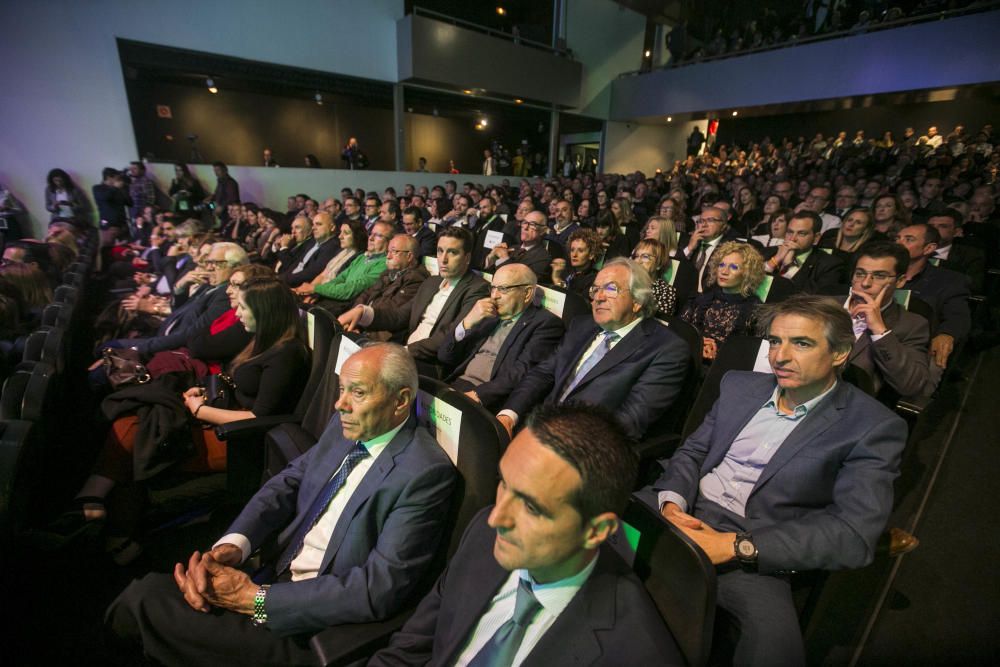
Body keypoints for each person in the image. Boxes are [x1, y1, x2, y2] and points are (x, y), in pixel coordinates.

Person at [105, 343, 457, 665]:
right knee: (156, 598)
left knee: (143, 600)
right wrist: (233, 546)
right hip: (270, 573)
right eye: (341, 389)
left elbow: (378, 588)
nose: (340, 404)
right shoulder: (348, 423)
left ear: (400, 401)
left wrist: (255, 599)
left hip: (310, 625)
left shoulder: (424, 473)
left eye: (358, 393)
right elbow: (289, 481)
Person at [647, 294, 907, 666]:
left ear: (839, 353)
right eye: (774, 341)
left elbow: (853, 534)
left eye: (801, 343)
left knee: (775, 650)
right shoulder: (739, 386)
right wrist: (672, 506)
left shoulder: (873, 427)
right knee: (586, 542)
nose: (780, 356)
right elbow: (691, 453)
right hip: (682, 510)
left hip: (756, 542)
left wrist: (738, 546)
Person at [370, 404, 684, 666]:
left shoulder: (638, 655)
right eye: (503, 482)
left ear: (596, 531)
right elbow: (411, 649)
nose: (496, 518)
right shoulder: (483, 533)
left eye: (532, 508)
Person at [69, 277, 311, 559]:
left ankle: (101, 511)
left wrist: (199, 410)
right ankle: (113, 530)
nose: (238, 313)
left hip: (239, 442)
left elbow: (258, 416)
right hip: (220, 419)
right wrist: (205, 396)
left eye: (243, 308)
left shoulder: (287, 353)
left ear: (265, 311)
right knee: (140, 422)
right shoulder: (261, 340)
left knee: (140, 438)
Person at [497, 258, 688, 441]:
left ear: (637, 300)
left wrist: (559, 440)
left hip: (586, 448)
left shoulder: (667, 349)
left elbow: (629, 421)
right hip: (537, 425)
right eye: (595, 289)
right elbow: (543, 372)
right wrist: (509, 414)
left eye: (611, 288)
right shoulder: (582, 325)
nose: (599, 297)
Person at [339, 227, 489, 369]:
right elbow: (400, 315)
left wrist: (402, 351)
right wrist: (363, 312)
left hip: (430, 363)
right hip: (405, 351)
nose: (443, 259)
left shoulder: (477, 289)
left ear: (467, 258)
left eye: (452, 253)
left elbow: (448, 336)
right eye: (440, 251)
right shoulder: (432, 282)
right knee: (342, 347)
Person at [438, 263, 564, 412]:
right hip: (456, 384)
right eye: (493, 288)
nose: (494, 296)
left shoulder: (546, 323)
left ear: (527, 293)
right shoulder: (486, 313)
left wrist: (478, 395)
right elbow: (445, 356)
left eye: (503, 289)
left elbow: (521, 372)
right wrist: (467, 322)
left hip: (487, 399)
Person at [844, 242, 930, 398]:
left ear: (900, 281)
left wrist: (879, 331)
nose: (865, 283)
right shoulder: (820, 305)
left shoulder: (912, 325)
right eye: (860, 273)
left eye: (879, 276)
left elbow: (912, 385)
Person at [895, 223, 971, 372]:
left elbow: (957, 316)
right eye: (897, 238)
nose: (898, 243)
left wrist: (947, 334)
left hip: (915, 348)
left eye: (908, 239)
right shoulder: (878, 273)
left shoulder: (949, 280)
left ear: (928, 248)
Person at [682, 241, 765, 361]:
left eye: (734, 267)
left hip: (724, 366)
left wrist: (718, 352)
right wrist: (699, 342)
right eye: (721, 265)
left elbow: (750, 353)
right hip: (690, 356)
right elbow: (681, 329)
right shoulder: (702, 298)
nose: (724, 271)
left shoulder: (755, 310)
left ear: (747, 273)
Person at [298, 221, 391, 314]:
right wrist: (318, 293)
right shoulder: (362, 257)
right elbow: (339, 279)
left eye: (378, 235)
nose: (370, 238)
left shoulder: (384, 264)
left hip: (347, 307)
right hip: (334, 300)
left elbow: (350, 290)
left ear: (389, 242)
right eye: (371, 234)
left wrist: (316, 289)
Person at [763, 211, 845, 292]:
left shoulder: (829, 265)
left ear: (816, 237)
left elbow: (811, 298)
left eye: (801, 233)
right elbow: (753, 282)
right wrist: (774, 261)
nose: (792, 238)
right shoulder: (769, 252)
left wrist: (790, 266)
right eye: (790, 232)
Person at [927, 210, 985, 294]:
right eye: (930, 226)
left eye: (943, 226)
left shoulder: (972, 255)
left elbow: (974, 284)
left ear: (956, 232)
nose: (934, 230)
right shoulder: (911, 249)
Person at [485, 211, 552, 283]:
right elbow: (491, 275)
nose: (525, 227)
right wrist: (492, 257)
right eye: (524, 222)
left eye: (532, 224)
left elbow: (520, 283)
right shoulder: (513, 248)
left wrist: (504, 257)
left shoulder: (543, 257)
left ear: (543, 231)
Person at [281, 212, 342, 288]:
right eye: (313, 224)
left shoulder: (333, 246)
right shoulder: (312, 242)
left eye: (319, 224)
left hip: (300, 286)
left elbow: (312, 273)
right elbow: (296, 264)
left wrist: (283, 279)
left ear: (332, 227)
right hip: (288, 280)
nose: (313, 227)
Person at [630, 239, 679, 316]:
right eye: (636, 256)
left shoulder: (665, 292)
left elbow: (656, 322)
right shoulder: (625, 282)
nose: (638, 261)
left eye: (645, 257)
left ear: (658, 264)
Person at [550, 228, 599, 301]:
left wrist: (557, 279)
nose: (574, 255)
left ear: (591, 255)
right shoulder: (568, 271)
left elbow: (576, 303)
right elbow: (565, 286)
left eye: (580, 251)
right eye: (572, 250)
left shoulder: (595, 279)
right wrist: (557, 276)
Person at [92, 167, 131, 247]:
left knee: (126, 249)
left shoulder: (118, 190)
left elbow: (130, 203)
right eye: (117, 178)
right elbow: (104, 197)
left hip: (123, 225)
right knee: (108, 250)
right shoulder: (98, 188)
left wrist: (124, 190)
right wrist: (115, 188)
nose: (119, 181)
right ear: (109, 177)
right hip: (108, 226)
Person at [207, 162, 240, 226]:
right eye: (215, 171)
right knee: (209, 205)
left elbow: (232, 198)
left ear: (225, 170)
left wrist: (222, 206)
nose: (216, 173)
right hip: (222, 212)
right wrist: (211, 197)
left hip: (229, 213)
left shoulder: (231, 183)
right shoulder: (220, 181)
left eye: (218, 170)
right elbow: (218, 194)